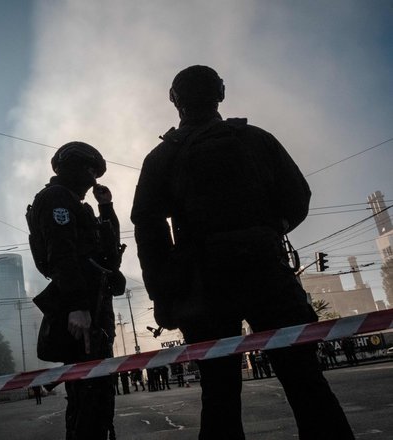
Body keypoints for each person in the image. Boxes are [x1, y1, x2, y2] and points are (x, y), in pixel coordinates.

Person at [131, 65, 354, 439]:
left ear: (175, 101)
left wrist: (166, 295)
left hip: (204, 286)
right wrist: (268, 231)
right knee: (306, 383)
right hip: (268, 273)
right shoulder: (255, 138)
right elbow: (298, 197)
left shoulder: (161, 157)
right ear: (221, 94)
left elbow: (148, 231)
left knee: (218, 394)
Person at [27, 141, 126, 440]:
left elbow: (109, 254)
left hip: (94, 304)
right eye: (89, 170)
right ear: (71, 167)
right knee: (89, 394)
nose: (93, 179)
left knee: (97, 392)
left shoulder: (78, 205)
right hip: (84, 308)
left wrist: (106, 208)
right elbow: (62, 255)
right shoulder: (56, 198)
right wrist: (77, 306)